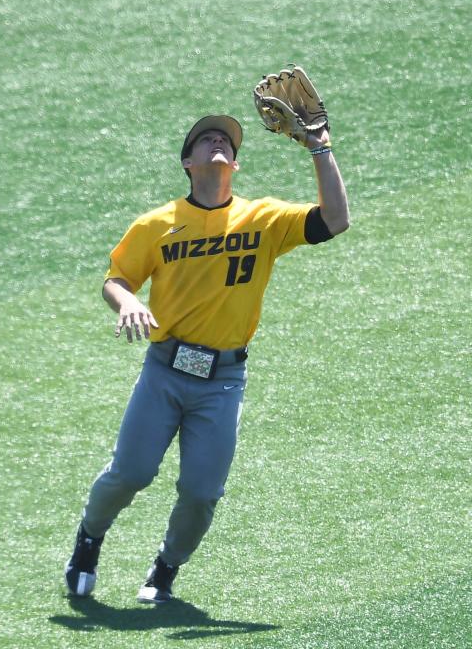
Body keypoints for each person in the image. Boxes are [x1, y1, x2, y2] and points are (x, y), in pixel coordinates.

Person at [64, 112, 349, 603]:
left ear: (234, 164)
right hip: (164, 373)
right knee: (130, 473)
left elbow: (335, 220)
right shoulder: (157, 224)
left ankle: (165, 568)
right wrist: (129, 300)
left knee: (201, 493)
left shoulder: (263, 218)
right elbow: (116, 279)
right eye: (205, 138)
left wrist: (319, 149)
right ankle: (89, 538)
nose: (217, 141)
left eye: (226, 140)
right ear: (187, 162)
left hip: (222, 382)